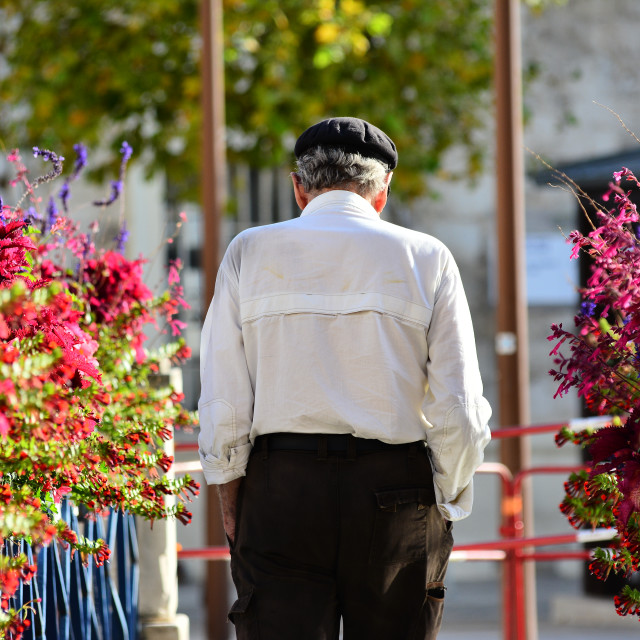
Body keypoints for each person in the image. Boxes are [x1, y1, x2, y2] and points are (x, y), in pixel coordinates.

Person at [198, 117, 492, 640]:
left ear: (298, 188)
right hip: (395, 489)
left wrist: (230, 496)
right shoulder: (428, 257)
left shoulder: (249, 251)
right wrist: (446, 497)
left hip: (282, 485)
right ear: (382, 191)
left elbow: (224, 395)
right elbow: (460, 408)